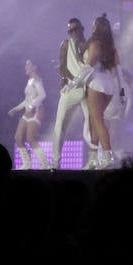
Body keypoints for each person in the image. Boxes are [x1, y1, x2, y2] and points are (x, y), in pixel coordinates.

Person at [48, 17, 90, 169]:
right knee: (59, 125)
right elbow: (62, 66)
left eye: (75, 29)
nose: (72, 32)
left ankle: (95, 159)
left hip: (88, 89)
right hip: (70, 89)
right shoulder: (66, 44)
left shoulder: (89, 45)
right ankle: (55, 160)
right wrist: (68, 80)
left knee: (92, 125)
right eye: (70, 30)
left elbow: (92, 67)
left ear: (81, 29)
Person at [82, 13, 123, 169]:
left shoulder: (95, 43)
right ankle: (93, 159)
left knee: (97, 121)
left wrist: (74, 83)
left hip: (96, 83)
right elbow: (120, 77)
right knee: (94, 121)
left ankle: (107, 156)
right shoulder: (111, 47)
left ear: (97, 27)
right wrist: (123, 97)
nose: (92, 27)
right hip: (110, 86)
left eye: (93, 24)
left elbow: (89, 65)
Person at [8, 59, 46, 169]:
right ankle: (27, 163)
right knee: (18, 137)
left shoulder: (37, 80)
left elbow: (42, 95)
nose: (26, 67)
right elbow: (26, 100)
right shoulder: (30, 81)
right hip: (28, 112)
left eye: (28, 65)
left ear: (34, 67)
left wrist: (31, 106)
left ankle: (44, 165)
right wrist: (16, 109)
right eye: (25, 65)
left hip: (36, 111)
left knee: (30, 138)